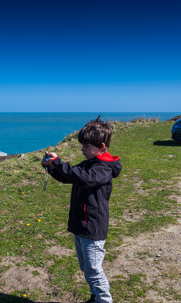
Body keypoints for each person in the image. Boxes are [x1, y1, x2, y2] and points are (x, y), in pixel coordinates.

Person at [41, 116, 122, 303]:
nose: (82, 149)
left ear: (101, 147)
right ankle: (95, 295)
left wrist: (59, 162)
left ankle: (104, 300)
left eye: (86, 146)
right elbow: (70, 177)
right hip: (80, 224)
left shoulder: (103, 168)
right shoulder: (88, 164)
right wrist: (51, 168)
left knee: (93, 269)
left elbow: (86, 178)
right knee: (86, 267)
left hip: (93, 227)